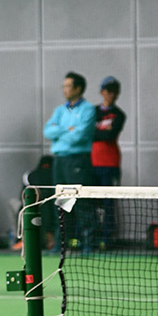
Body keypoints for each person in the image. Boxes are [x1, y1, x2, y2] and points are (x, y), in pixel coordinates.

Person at [44, 72, 97, 249]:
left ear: (78, 88)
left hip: (78, 162)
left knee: (82, 203)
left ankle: (89, 244)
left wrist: (60, 132)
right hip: (60, 162)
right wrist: (68, 129)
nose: (65, 90)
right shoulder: (59, 110)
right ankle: (61, 244)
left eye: (68, 86)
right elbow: (48, 131)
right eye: (64, 86)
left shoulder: (89, 109)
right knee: (61, 202)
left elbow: (80, 136)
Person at [92, 76, 126, 247]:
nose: (110, 94)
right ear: (101, 92)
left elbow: (110, 135)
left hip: (110, 164)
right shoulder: (92, 112)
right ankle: (90, 236)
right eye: (107, 91)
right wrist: (101, 132)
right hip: (91, 163)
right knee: (90, 202)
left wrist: (98, 132)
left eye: (114, 91)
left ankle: (107, 238)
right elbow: (88, 133)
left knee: (108, 203)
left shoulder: (119, 115)